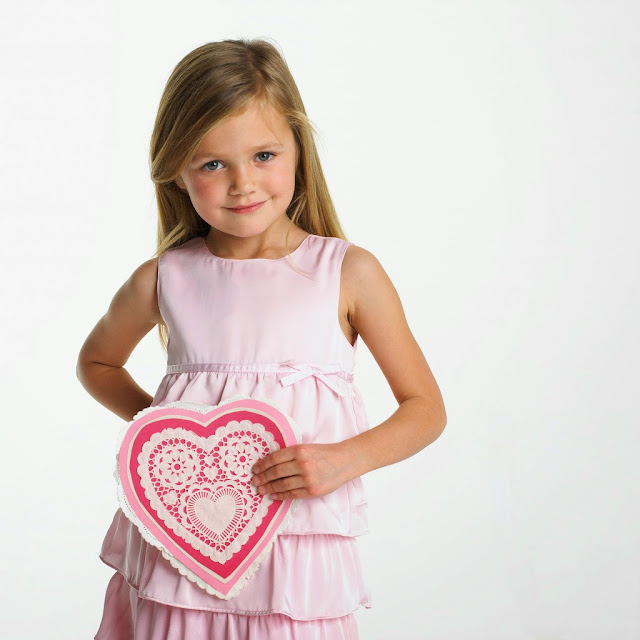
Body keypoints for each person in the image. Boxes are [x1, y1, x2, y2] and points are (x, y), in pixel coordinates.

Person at [76, 37, 447, 640]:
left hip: (297, 563)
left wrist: (343, 459)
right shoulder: (166, 277)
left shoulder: (347, 274)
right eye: (212, 164)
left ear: (299, 147)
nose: (243, 183)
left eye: (265, 154)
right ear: (175, 169)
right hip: (181, 551)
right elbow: (97, 362)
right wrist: (166, 432)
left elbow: (426, 409)